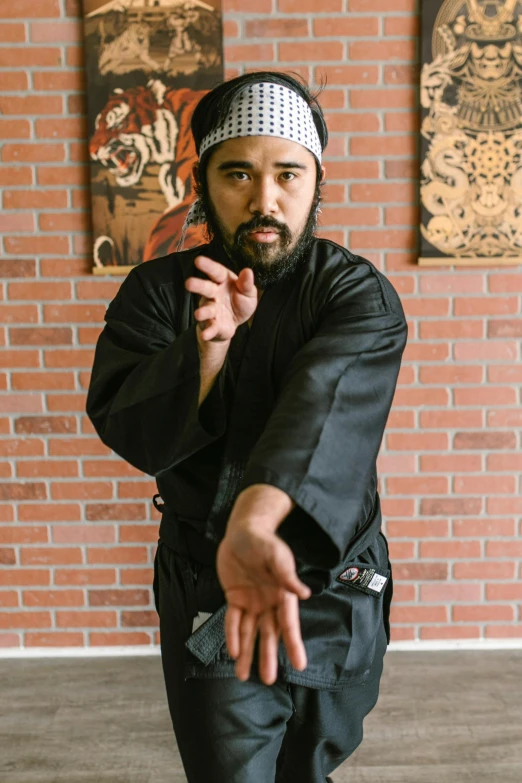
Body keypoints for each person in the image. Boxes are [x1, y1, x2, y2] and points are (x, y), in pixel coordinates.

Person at [86, 71, 408, 783]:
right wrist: (203, 357)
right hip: (214, 585)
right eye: (238, 173)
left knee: (313, 765)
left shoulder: (353, 292)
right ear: (202, 182)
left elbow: (323, 402)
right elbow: (126, 424)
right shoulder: (156, 294)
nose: (265, 200)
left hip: (339, 581)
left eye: (287, 174)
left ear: (316, 182)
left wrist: (257, 521)